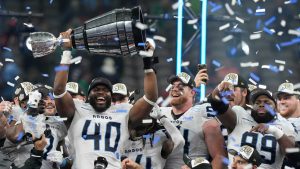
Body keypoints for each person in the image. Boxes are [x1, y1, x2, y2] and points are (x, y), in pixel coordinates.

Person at [53, 29, 158, 169]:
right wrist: (67, 52)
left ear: (111, 95)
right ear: (88, 96)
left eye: (105, 90)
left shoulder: (124, 111)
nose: (101, 93)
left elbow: (151, 97)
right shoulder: (77, 108)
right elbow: (59, 90)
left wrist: (147, 62)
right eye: (96, 90)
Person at [208, 80, 296, 168]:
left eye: (267, 102)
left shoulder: (284, 125)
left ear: (275, 107)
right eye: (257, 102)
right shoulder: (239, 115)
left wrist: (273, 130)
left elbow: (292, 154)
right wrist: (219, 90)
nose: (261, 105)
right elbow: (217, 105)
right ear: (251, 106)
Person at [162, 72, 227, 169]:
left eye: (180, 87)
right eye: (172, 87)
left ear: (192, 93)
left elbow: (220, 157)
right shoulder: (160, 113)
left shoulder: (202, 112)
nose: (174, 89)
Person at [4, 85, 68, 169]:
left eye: (52, 98)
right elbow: (15, 136)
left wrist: (64, 162)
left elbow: (65, 155)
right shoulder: (23, 119)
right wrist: (32, 112)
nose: (50, 101)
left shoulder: (59, 124)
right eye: (45, 98)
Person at [275, 82, 300, 168]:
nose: (282, 102)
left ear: (298, 99)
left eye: (286, 98)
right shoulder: (272, 122)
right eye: (279, 98)